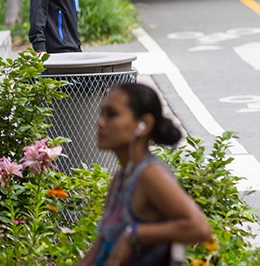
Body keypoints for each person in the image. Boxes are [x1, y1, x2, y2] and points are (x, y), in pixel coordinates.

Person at [76, 83, 212, 266]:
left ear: (144, 124)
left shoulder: (150, 175)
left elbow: (199, 227)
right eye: (102, 113)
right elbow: (98, 248)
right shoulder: (120, 178)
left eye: (112, 114)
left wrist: (134, 235)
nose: (99, 122)